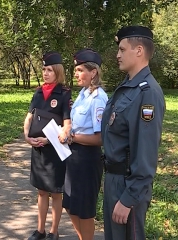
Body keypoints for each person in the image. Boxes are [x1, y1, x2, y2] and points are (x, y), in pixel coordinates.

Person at [101, 26, 165, 239]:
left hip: (128, 184)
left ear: (139, 51)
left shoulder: (147, 93)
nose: (117, 55)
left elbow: (145, 152)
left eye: (121, 49)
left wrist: (129, 198)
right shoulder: (128, 87)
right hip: (114, 179)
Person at [23, 51, 72, 240]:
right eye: (43, 69)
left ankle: (54, 232)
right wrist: (27, 136)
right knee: (41, 191)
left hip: (54, 150)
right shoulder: (37, 92)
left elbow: (67, 124)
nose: (45, 73)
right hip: (38, 149)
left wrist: (50, 139)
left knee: (56, 193)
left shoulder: (64, 93)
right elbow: (29, 117)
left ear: (57, 72)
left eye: (49, 70)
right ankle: (40, 230)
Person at [62, 49, 108, 240]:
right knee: (70, 204)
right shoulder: (82, 94)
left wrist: (73, 137)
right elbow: (75, 122)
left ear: (93, 72)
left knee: (84, 209)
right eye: (76, 69)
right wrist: (67, 130)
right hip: (73, 156)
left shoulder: (98, 98)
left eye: (80, 69)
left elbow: (100, 138)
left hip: (88, 159)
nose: (76, 73)